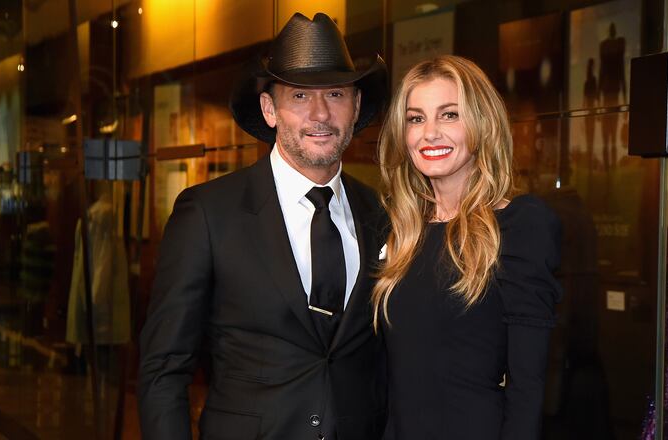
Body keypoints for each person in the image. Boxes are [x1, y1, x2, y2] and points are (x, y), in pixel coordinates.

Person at [138, 13, 389, 440]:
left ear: (357, 106)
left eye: (335, 93)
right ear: (269, 109)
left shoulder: (381, 214)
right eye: (299, 96)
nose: (321, 113)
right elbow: (164, 368)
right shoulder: (207, 213)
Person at [374, 55, 562, 439]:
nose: (429, 133)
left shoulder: (519, 226)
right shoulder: (400, 229)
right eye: (416, 118)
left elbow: (528, 388)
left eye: (449, 115)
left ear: (482, 123)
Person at [598, 22, 626, 171]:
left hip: (613, 92)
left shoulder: (617, 45)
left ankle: (612, 169)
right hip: (608, 93)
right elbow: (602, 70)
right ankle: (609, 169)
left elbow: (621, 71)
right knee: (606, 137)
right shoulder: (605, 45)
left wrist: (626, 98)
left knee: (612, 137)